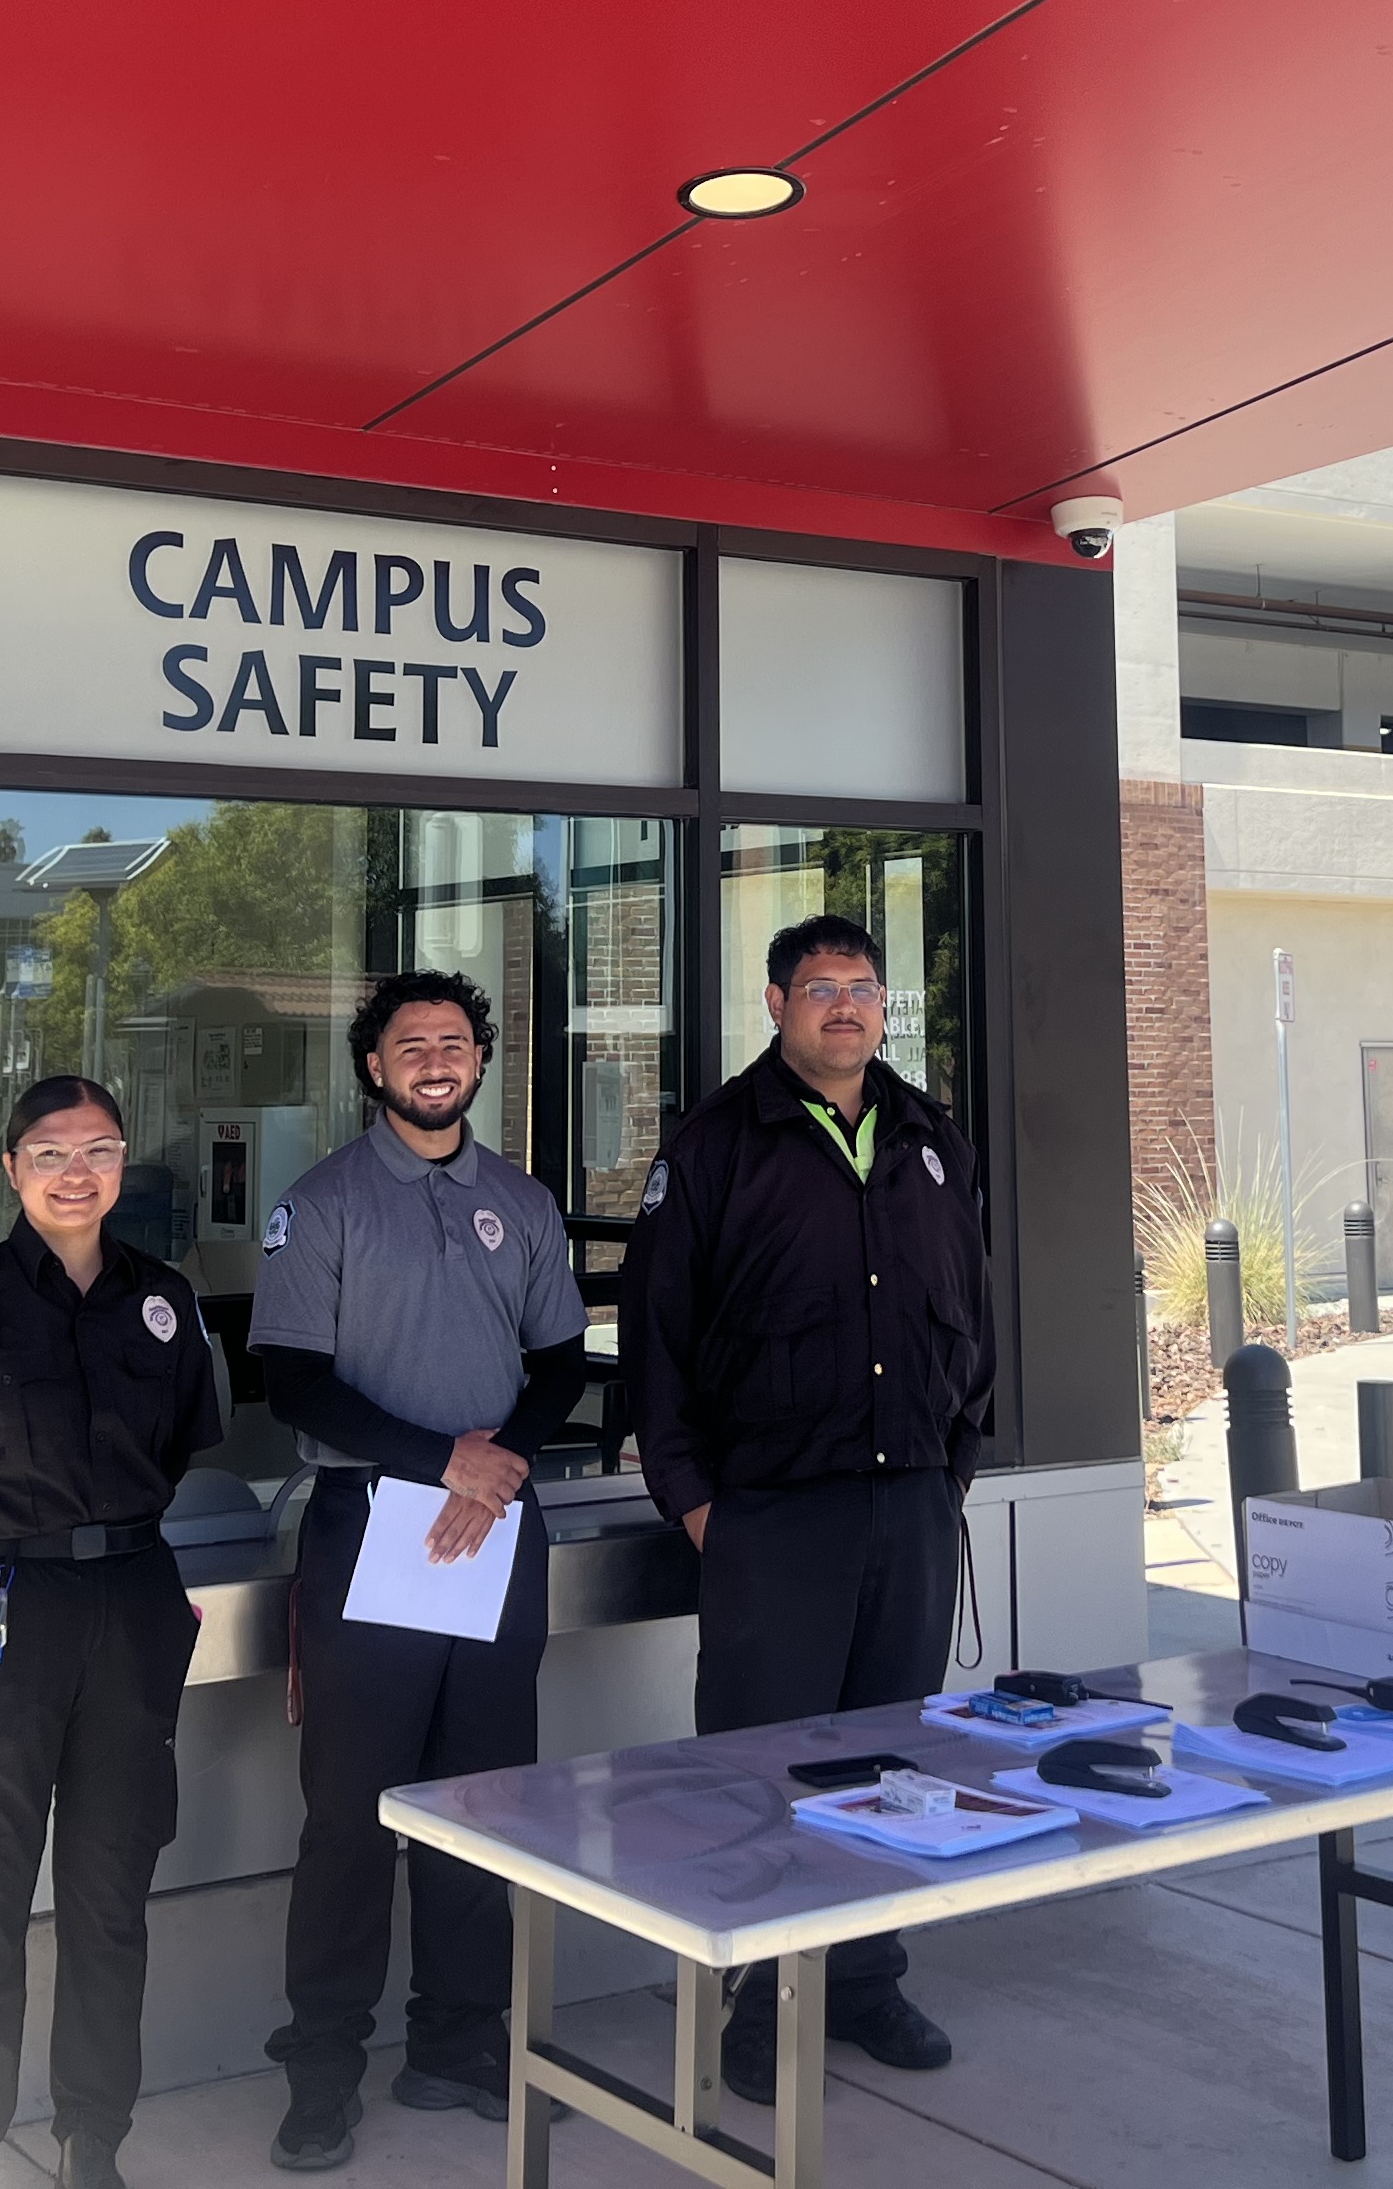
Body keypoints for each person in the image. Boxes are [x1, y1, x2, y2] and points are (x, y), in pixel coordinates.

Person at [627, 911, 993, 2106]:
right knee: (764, 1768)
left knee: (890, 1762)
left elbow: (971, 1316)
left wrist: (953, 1468)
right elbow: (659, 1342)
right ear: (777, 1003)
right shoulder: (717, 1145)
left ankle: (866, 1981)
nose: (847, 1006)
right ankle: (758, 1998)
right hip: (770, 1519)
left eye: (866, 988)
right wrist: (695, 1506)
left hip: (909, 1508)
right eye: (822, 986)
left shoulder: (930, 1136)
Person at [252, 971, 591, 2172]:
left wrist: (496, 1466)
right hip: (371, 1530)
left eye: (455, 1042)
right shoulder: (324, 1203)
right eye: (411, 1045)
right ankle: (324, 2064)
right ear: (373, 1067)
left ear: (481, 1062)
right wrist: (439, 1460)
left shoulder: (521, 1200)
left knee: (482, 1807)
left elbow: (560, 1360)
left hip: (497, 1529)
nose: (435, 1060)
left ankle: (456, 2042)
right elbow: (290, 1379)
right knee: (351, 1815)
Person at [0, 1076, 220, 2189]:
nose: (80, 1173)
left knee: (111, 1900)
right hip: (3, 1624)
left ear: (124, 1164)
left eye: (102, 1149)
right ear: (12, 1169)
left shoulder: (162, 1301)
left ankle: (91, 2142)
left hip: (130, 1609)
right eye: (53, 1153)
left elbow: (174, 1451)